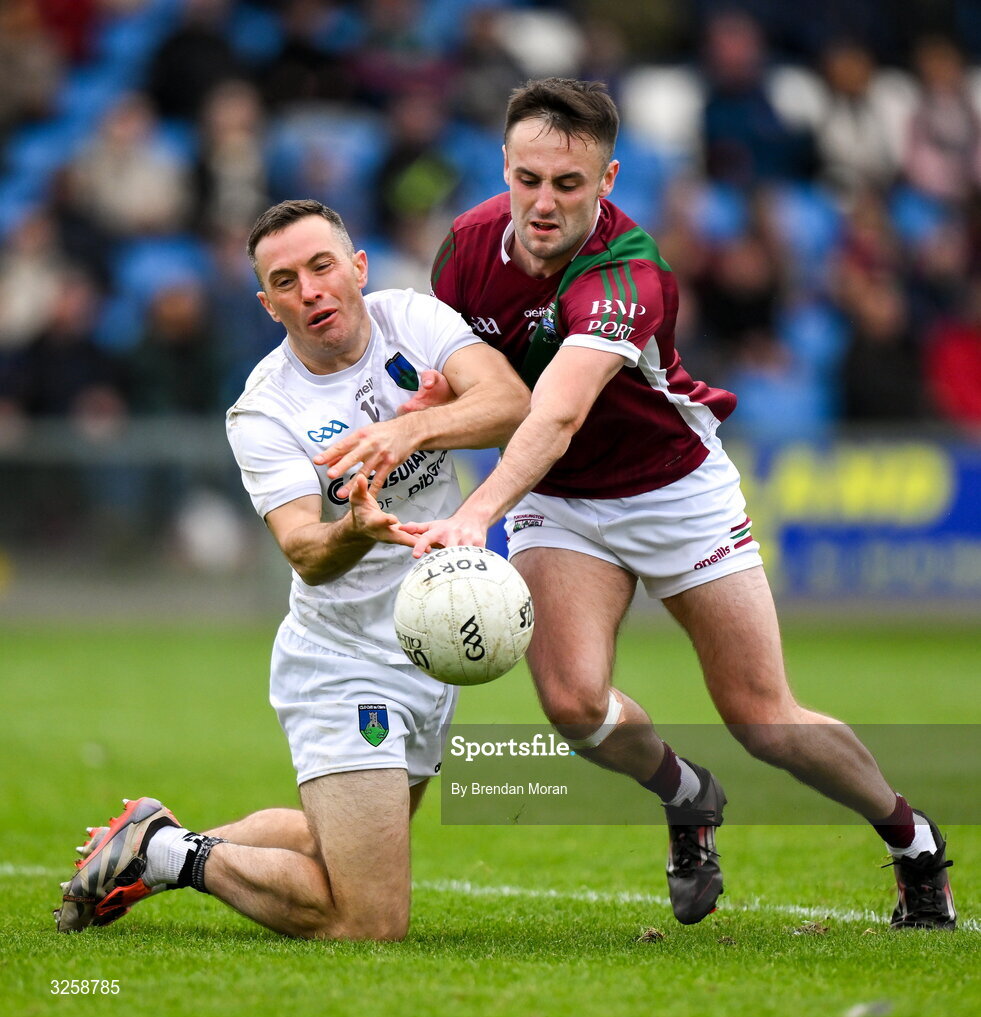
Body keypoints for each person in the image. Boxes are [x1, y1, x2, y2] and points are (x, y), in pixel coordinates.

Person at [381, 77, 955, 929]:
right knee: (573, 705)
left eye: (568, 185)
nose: (543, 203)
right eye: (528, 179)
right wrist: (432, 409)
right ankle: (686, 797)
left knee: (764, 720)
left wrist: (477, 514)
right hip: (562, 498)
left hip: (673, 490)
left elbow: (559, 410)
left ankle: (912, 840)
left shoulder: (627, 271)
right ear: (503, 166)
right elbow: (488, 390)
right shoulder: (463, 249)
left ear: (606, 180)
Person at [54, 199, 529, 940]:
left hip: (425, 646)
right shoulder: (263, 411)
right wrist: (357, 530)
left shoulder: (412, 319)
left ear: (356, 269)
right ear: (267, 304)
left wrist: (410, 429)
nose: (309, 288)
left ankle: (147, 844)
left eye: (321, 266)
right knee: (369, 919)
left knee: (323, 845)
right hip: (345, 664)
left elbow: (511, 402)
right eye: (285, 279)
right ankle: (168, 852)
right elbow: (305, 551)